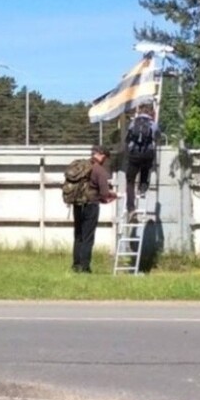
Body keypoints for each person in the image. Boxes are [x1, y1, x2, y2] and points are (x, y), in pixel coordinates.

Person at [72, 144, 117, 273]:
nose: (105, 160)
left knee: (78, 235)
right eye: (106, 158)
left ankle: (76, 265)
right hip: (91, 205)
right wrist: (114, 195)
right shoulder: (99, 171)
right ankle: (85, 267)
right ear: (102, 155)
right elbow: (104, 193)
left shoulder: (81, 167)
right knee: (88, 237)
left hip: (77, 204)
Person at [125, 102, 160, 219]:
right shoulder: (152, 124)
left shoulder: (133, 123)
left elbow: (127, 138)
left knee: (130, 181)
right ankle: (143, 189)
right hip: (147, 154)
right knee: (145, 171)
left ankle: (131, 208)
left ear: (139, 112)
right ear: (151, 112)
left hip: (134, 154)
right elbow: (158, 136)